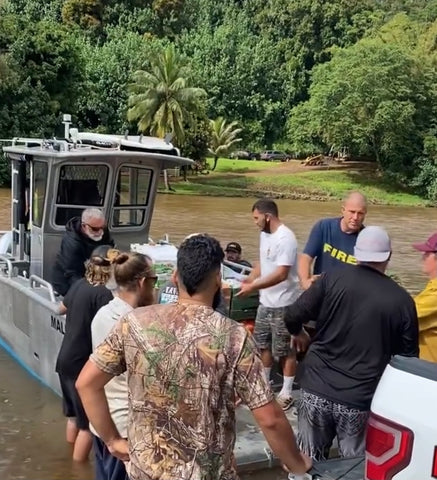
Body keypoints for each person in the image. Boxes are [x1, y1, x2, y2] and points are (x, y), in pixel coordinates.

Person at [76, 234, 312, 480]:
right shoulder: (234, 336)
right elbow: (270, 419)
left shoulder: (134, 323)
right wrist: (296, 464)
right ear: (218, 280)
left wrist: (112, 440)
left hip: (145, 471)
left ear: (175, 276)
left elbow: (86, 384)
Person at [284, 226, 419, 460]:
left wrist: (299, 333)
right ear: (388, 256)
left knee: (306, 462)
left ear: (356, 253)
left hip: (316, 387)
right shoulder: (403, 301)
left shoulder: (331, 279)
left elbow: (292, 315)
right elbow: (408, 360)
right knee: (351, 468)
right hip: (359, 399)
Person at [90, 251, 157, 480]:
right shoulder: (136, 323)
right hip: (126, 430)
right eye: (154, 281)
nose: (156, 288)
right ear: (142, 283)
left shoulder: (103, 313)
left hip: (102, 423)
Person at [238, 199, 301, 411]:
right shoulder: (264, 234)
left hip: (284, 302)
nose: (254, 222)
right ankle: (264, 384)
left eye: (256, 218)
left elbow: (282, 274)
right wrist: (249, 279)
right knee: (262, 345)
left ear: (268, 216)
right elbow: (262, 262)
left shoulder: (286, 238)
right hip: (265, 301)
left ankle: (286, 392)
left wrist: (253, 286)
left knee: (284, 349)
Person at [55, 245, 115, 462]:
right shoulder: (104, 294)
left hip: (65, 360)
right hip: (82, 365)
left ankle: (67, 460)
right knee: (88, 426)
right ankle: (77, 469)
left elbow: (60, 309)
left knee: (73, 417)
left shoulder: (79, 284)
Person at [298, 191, 367, 290]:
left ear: (365, 214)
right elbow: (306, 257)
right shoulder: (324, 227)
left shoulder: (367, 239)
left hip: (347, 294)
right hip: (321, 290)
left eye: (360, 213)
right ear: (343, 210)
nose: (355, 217)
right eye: (352, 212)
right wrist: (305, 281)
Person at [51, 208, 114, 296]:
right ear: (84, 226)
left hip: (94, 276)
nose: (100, 232)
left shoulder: (100, 229)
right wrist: (88, 292)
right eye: (95, 229)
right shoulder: (72, 242)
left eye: (102, 227)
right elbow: (71, 273)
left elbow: (109, 250)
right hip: (67, 281)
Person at [412, 232, 437, 362]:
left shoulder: (435, 295)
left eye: (427, 253)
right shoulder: (432, 286)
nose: (423, 257)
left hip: (430, 370)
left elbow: (402, 316)